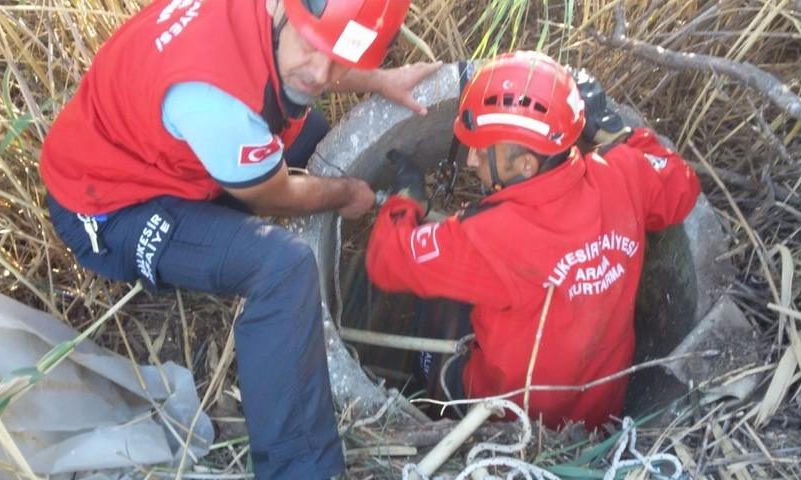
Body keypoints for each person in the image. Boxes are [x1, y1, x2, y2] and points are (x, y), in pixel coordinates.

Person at [39, 0, 441, 476]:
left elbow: (317, 57)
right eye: (313, 47)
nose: (320, 73)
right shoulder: (214, 98)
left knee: (313, 134)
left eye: (340, 59)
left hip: (160, 148)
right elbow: (272, 196)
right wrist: (346, 193)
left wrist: (379, 80)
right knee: (283, 268)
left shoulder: (262, 17)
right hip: (110, 209)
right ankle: (300, 466)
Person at [365, 51, 701, 429]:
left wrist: (405, 202)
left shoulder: (491, 236)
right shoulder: (622, 173)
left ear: (527, 164)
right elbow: (682, 187)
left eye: (484, 149)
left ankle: (430, 398)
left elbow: (388, 259)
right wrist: (613, 132)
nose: (472, 160)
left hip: (509, 417)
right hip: (599, 408)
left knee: (438, 302)